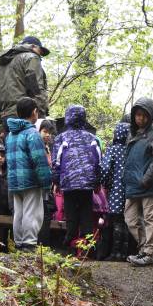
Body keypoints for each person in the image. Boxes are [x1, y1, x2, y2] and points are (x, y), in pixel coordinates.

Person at [123, 97, 153, 266]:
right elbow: (129, 159)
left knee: (151, 218)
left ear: (150, 116)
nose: (140, 118)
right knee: (130, 219)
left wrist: (145, 179)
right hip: (133, 185)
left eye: (143, 115)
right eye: (137, 115)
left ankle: (149, 253)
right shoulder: (133, 134)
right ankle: (145, 249)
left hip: (150, 185)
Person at [52, 105, 101, 254]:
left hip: (69, 183)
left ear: (67, 117)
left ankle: (68, 247)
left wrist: (56, 181)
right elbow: (98, 161)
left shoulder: (61, 138)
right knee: (86, 216)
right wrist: (97, 181)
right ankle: (88, 250)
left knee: (71, 216)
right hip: (87, 184)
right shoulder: (92, 138)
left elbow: (56, 161)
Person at [6, 97, 52, 251]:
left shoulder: (10, 135)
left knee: (18, 212)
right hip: (31, 181)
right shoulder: (32, 133)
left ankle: (19, 243)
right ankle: (29, 243)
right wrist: (46, 181)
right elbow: (39, 160)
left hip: (14, 181)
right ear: (34, 112)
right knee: (32, 212)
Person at [0, 36, 50, 137]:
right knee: (35, 151)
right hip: (28, 117)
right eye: (41, 51)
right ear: (33, 46)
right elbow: (36, 89)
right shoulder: (31, 58)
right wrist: (40, 117)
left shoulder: (0, 67)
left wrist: (0, 125)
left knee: (14, 152)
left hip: (7, 120)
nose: (41, 55)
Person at [100, 121, 130, 261]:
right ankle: (125, 253)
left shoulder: (113, 149)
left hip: (116, 189)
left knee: (117, 221)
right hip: (130, 189)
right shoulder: (130, 149)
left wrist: (105, 183)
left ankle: (115, 253)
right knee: (127, 221)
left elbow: (105, 169)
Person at [36, 119, 57, 245]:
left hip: (47, 188)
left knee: (46, 216)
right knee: (41, 217)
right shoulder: (37, 147)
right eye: (44, 131)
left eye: (49, 132)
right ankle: (40, 244)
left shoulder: (48, 148)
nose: (48, 135)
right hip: (39, 188)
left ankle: (44, 245)